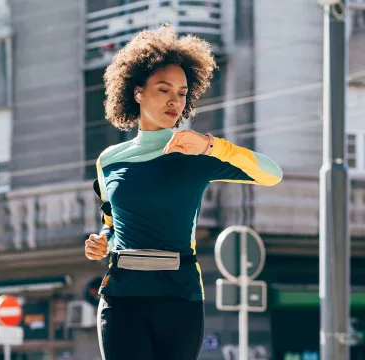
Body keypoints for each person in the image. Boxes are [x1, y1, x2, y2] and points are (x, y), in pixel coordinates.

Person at [85, 24, 283, 360]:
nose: (174, 101)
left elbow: (271, 174)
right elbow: (112, 223)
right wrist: (101, 242)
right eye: (163, 90)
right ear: (137, 92)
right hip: (121, 298)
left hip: (180, 298)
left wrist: (211, 145)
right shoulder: (109, 161)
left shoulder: (197, 154)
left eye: (182, 93)